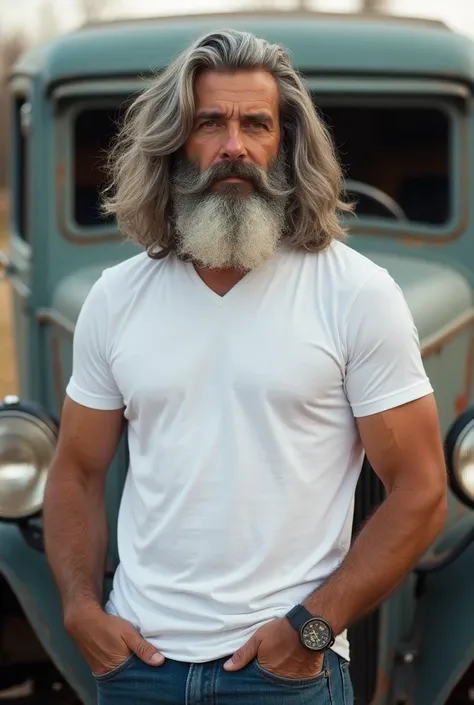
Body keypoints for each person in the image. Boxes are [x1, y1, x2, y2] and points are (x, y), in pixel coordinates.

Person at [43, 28, 447, 705]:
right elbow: (77, 470)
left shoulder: (356, 292)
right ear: (176, 142)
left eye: (256, 124)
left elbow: (422, 489)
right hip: (138, 666)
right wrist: (81, 608)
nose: (234, 146)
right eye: (211, 123)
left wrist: (312, 629)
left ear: (285, 145)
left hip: (284, 674)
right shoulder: (116, 296)